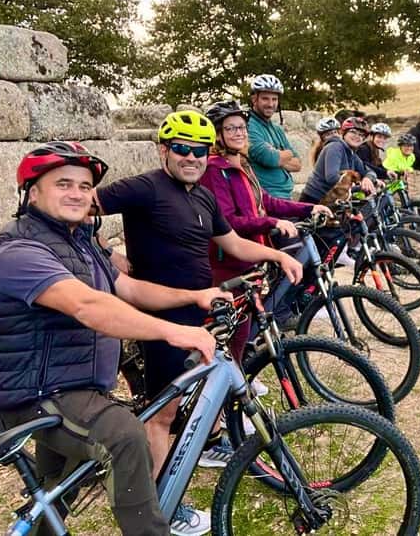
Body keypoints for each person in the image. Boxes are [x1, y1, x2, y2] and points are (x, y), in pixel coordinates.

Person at [0, 141, 223, 536]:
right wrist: (175, 331)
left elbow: (131, 289)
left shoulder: (82, 244)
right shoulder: (17, 251)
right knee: (125, 436)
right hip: (35, 398)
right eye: (63, 184)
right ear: (32, 192)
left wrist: (194, 297)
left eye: (84, 186)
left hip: (73, 391)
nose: (76, 193)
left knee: (56, 497)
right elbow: (88, 306)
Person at [95, 110, 303, 533]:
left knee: (199, 393)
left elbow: (232, 243)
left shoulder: (203, 196)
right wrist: (104, 253)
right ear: (163, 150)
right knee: (162, 415)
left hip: (201, 307)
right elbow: (84, 205)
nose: (192, 157)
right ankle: (157, 510)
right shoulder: (145, 187)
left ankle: (203, 448)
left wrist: (278, 254)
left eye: (200, 150)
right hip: (161, 312)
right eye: (182, 149)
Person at [200, 100, 331, 336]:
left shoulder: (242, 165)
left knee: (248, 325)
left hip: (251, 255)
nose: (239, 133)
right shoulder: (214, 170)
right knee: (236, 332)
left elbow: (266, 201)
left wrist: (309, 208)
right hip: (229, 262)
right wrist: (272, 222)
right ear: (218, 134)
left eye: (241, 127)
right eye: (230, 128)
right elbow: (227, 221)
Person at [245, 74, 301, 199]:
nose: (270, 104)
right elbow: (269, 157)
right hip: (266, 196)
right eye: (265, 99)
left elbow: (298, 164)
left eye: (274, 99)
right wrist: (285, 154)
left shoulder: (277, 129)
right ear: (254, 99)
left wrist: (279, 156)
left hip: (286, 195)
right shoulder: (247, 125)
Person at [299, 116, 377, 203]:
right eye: (353, 132)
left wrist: (368, 179)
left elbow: (369, 171)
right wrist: (360, 186)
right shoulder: (335, 147)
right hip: (315, 200)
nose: (357, 136)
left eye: (362, 135)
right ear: (343, 133)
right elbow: (332, 178)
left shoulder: (351, 153)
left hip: (334, 200)